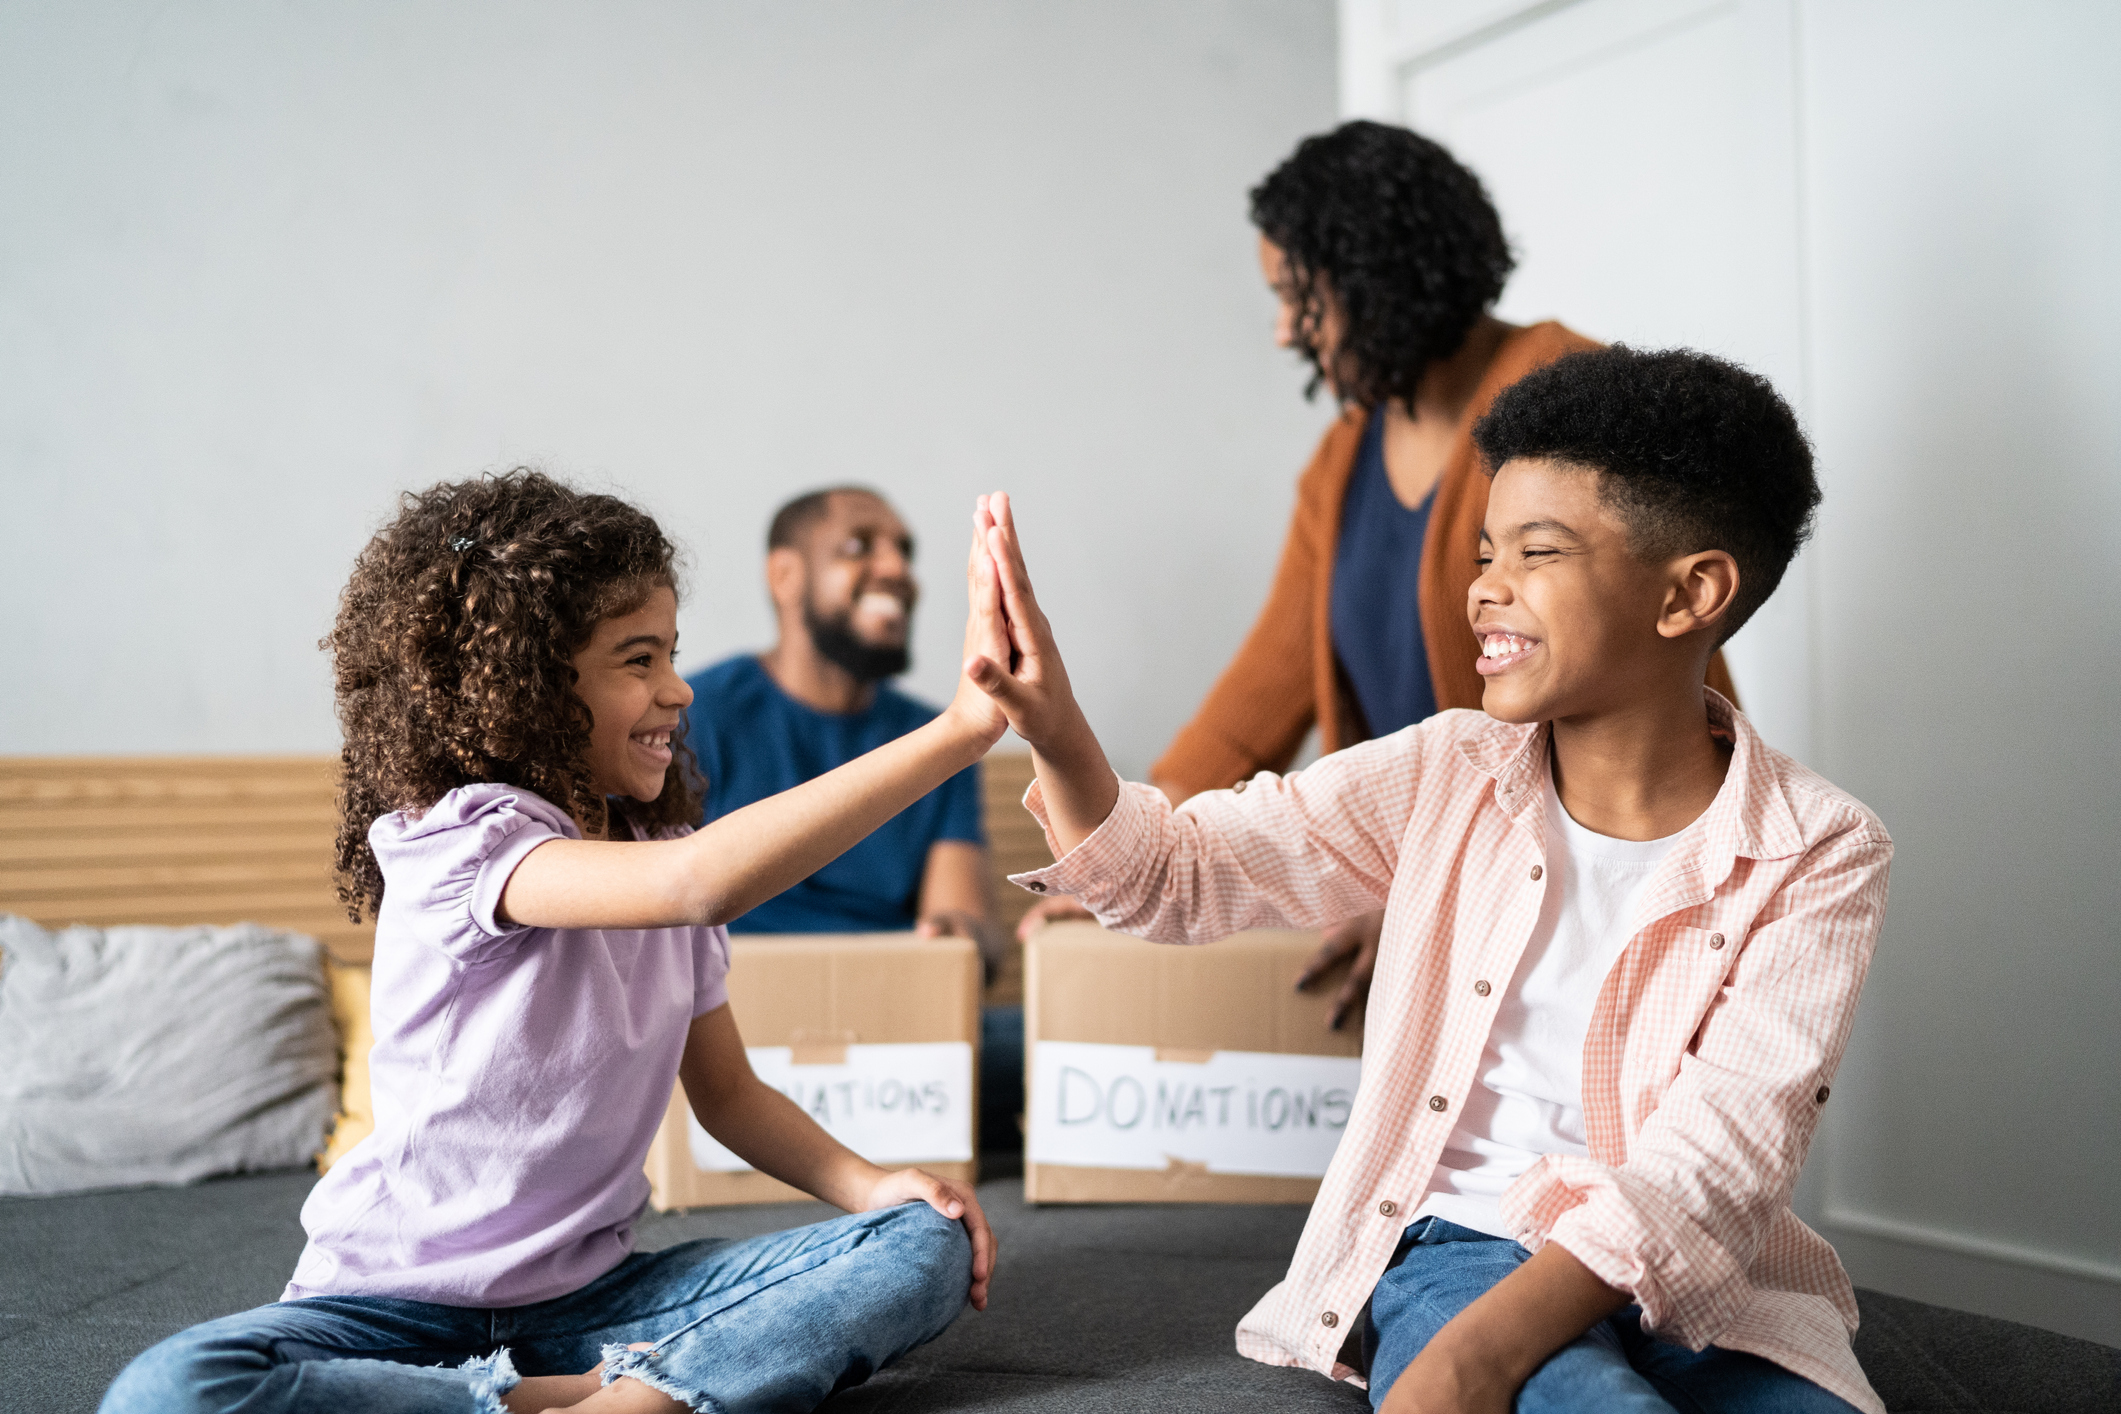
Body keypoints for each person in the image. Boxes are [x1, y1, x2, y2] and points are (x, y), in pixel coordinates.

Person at [962, 346, 1890, 1412]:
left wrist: (1471, 1362)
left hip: (1705, 1281)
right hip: (1465, 1242)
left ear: (1691, 593)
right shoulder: (1445, 768)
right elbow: (1181, 874)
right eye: (1485, 550)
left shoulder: (1822, 847)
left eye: (1535, 553)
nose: (1483, 587)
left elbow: (1718, 1162)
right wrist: (1056, 725)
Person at [102, 470, 1016, 1414]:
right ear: (528, 685)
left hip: (595, 1302)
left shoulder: (660, 857)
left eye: (673, 653)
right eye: (637, 660)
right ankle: (607, 1399)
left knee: (922, 1239)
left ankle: (595, 1392)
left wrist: (870, 1185)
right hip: (390, 1309)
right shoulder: (462, 840)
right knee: (171, 1391)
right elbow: (699, 882)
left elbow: (731, 1097)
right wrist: (961, 730)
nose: (678, 688)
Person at [1018, 120, 1737, 1031]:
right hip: (1432, 882)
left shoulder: (1574, 396)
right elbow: (1263, 689)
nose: (1284, 331)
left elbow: (1666, 680)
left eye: (1299, 296)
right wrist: (1126, 858)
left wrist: (1421, 883)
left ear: (1381, 276)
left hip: (1593, 898)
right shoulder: (1343, 455)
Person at [683, 486, 1020, 1151]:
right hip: (739, 1029)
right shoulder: (693, 719)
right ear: (785, 576)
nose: (896, 569)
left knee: (1054, 1047)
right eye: (859, 547)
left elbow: (970, 935)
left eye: (905, 551)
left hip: (891, 1031)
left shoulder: (938, 733)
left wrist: (963, 938)